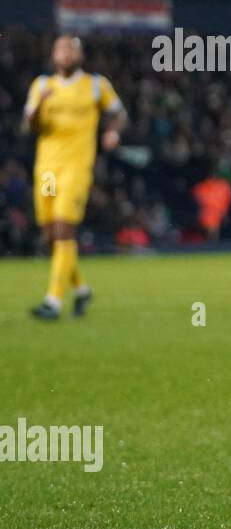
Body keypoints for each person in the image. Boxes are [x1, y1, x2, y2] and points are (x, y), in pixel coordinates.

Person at [21, 34, 125, 320]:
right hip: (47, 170)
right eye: (61, 49)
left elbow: (118, 112)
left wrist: (112, 131)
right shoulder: (42, 86)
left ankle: (52, 302)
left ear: (80, 56)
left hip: (76, 168)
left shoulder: (95, 85)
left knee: (65, 230)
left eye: (71, 49)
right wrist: (40, 105)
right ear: (54, 55)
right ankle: (81, 290)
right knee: (51, 236)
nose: (65, 54)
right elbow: (28, 125)